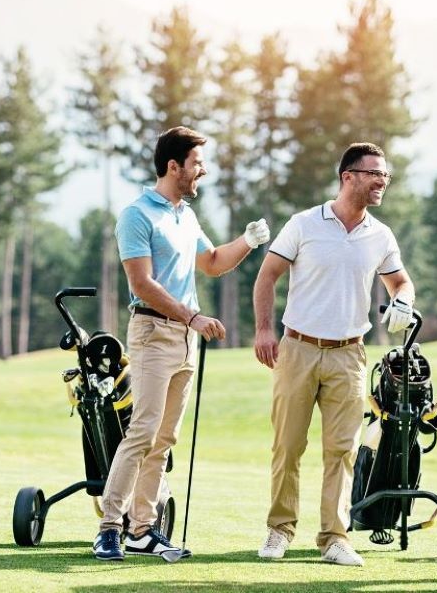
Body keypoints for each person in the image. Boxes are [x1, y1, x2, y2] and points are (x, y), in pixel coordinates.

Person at [93, 126, 270, 561]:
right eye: (197, 164)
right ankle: (109, 528)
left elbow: (210, 264)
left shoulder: (184, 215)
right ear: (174, 166)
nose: (202, 171)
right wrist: (191, 315)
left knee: (165, 439)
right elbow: (142, 283)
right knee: (142, 432)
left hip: (186, 339)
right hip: (154, 332)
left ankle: (142, 530)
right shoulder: (137, 214)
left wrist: (248, 242)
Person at [252, 142, 417, 566]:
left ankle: (334, 538)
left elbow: (400, 281)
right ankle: (279, 531)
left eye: (386, 175)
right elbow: (267, 275)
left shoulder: (380, 234)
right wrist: (264, 329)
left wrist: (402, 300)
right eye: (374, 173)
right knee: (288, 446)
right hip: (299, 348)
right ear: (348, 176)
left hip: (349, 354)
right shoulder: (305, 224)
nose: (382, 181)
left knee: (341, 451)